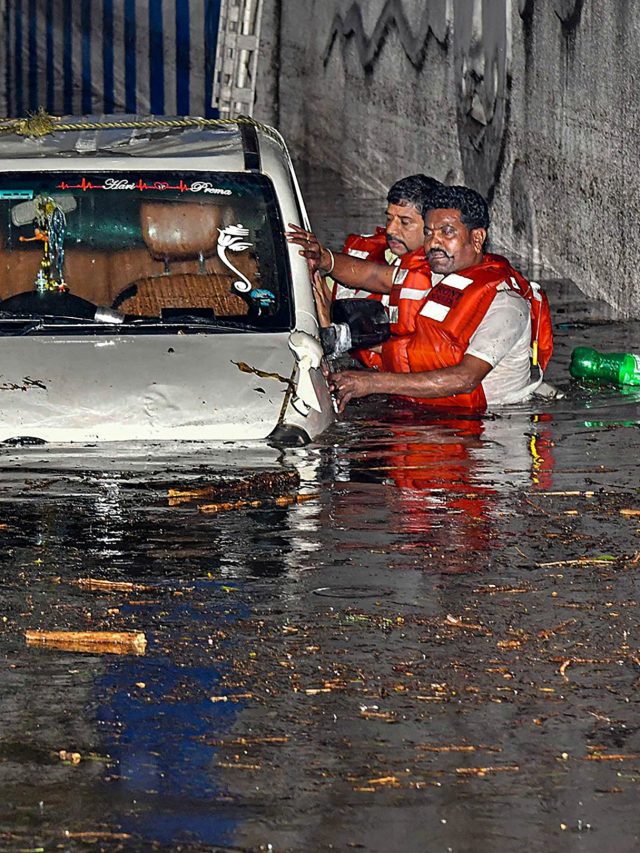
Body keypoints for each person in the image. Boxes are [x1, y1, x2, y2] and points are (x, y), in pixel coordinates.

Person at [287, 184, 553, 413]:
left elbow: (465, 378)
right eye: (428, 232)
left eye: (447, 232)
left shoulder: (506, 303)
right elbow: (374, 276)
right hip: (430, 411)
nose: (433, 243)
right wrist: (324, 258)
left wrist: (370, 384)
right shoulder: (434, 274)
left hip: (492, 426)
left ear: (477, 237)